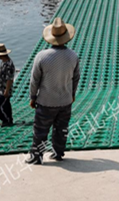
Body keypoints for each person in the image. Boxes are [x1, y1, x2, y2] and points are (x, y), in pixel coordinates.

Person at [26, 17, 80, 165]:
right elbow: (76, 78)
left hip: (46, 101)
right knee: (61, 129)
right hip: (65, 101)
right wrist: (72, 94)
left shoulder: (42, 56)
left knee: (41, 130)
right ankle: (58, 153)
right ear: (66, 38)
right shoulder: (73, 56)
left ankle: (36, 156)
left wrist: (32, 97)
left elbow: (34, 80)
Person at [0, 43, 15, 127]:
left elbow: (9, 79)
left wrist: (6, 91)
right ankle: (9, 120)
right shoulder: (4, 62)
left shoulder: (8, 65)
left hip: (4, 89)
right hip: (2, 88)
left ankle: (5, 120)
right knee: (6, 105)